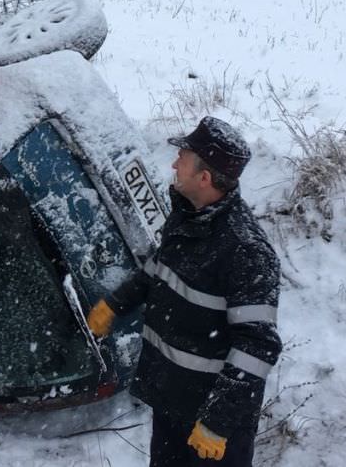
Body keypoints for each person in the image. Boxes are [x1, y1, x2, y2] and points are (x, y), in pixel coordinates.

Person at [86, 116, 282, 466]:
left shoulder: (245, 251)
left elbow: (257, 345)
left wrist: (217, 422)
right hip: (172, 400)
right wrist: (115, 305)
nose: (175, 164)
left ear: (204, 178)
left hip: (211, 425)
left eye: (184, 159)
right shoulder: (190, 215)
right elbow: (159, 267)